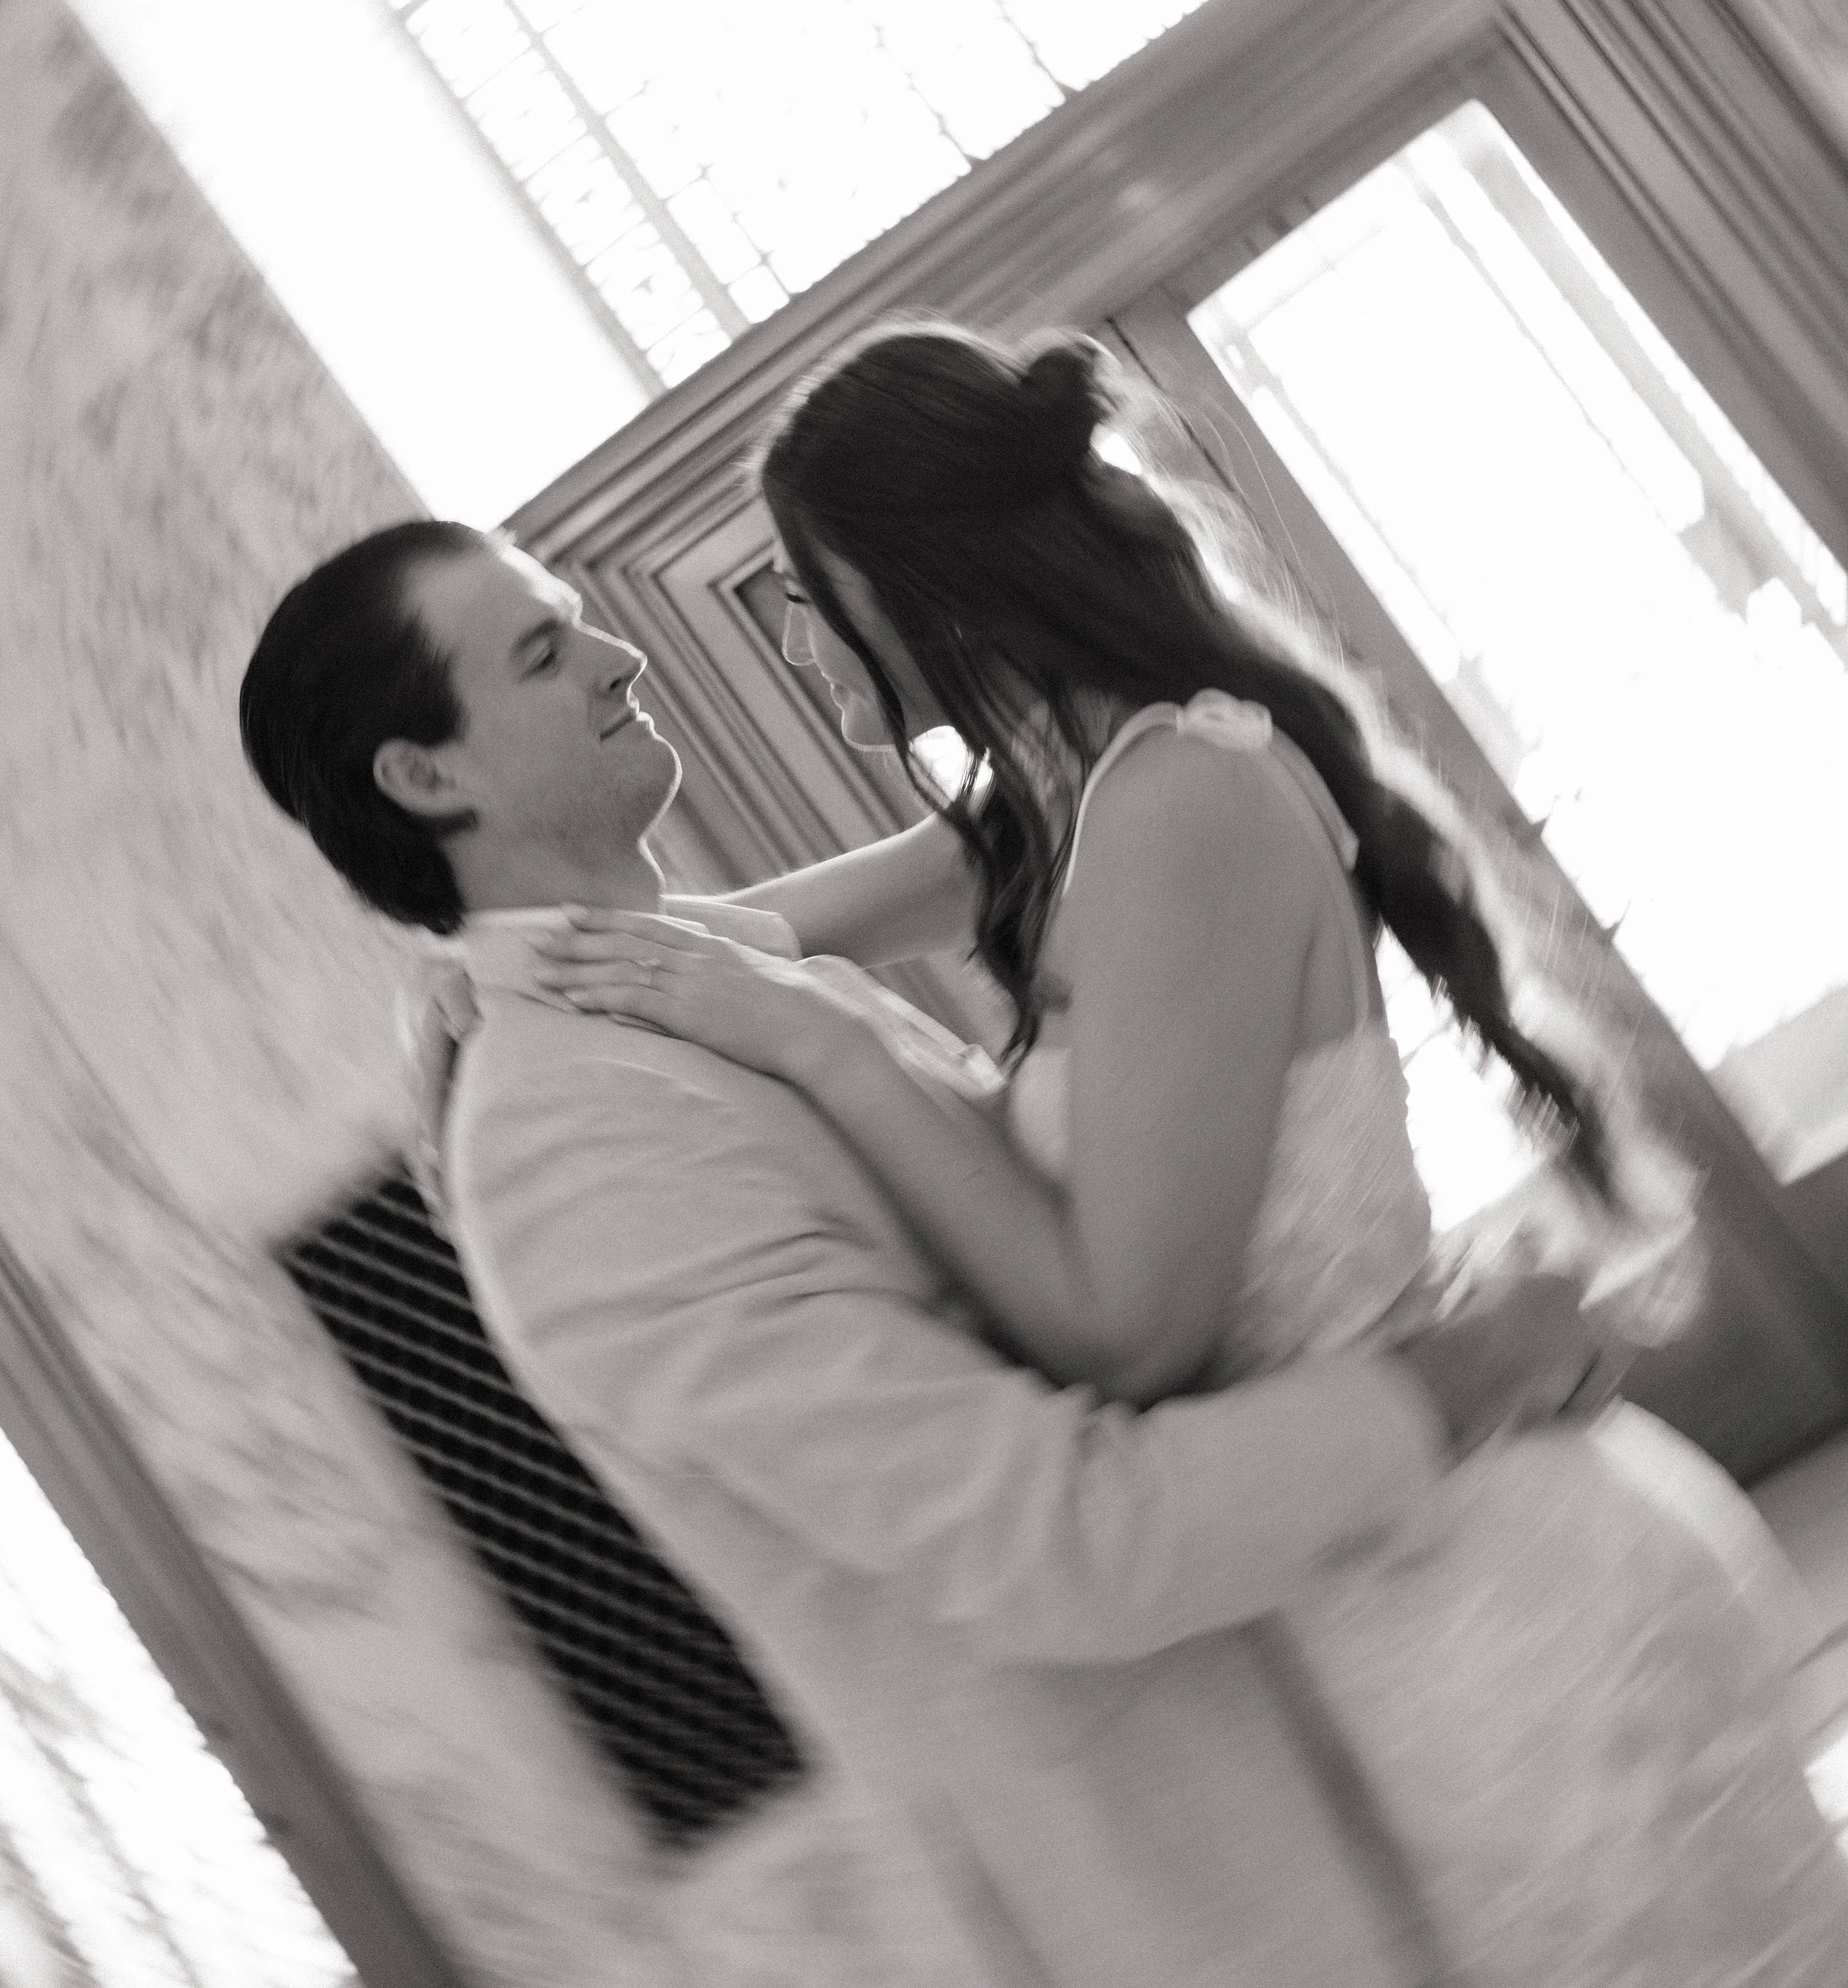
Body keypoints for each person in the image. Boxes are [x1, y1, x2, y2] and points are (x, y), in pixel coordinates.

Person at [540, 324, 1848, 1988]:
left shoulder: (1177, 806)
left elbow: (1128, 1330)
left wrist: (808, 1044)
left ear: (913, 575)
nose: (790, 635)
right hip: (1349, 1584)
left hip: (1484, 1631)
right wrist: (501, 978)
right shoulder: (1068, 802)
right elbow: (752, 936)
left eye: (805, 588)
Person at [241, 518, 1615, 1988]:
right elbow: (1060, 1544)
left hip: (1379, 1712)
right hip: (1209, 1893)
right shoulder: (572, 1143)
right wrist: (1451, 1376)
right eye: (542, 649)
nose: (621, 651)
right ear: (425, 773)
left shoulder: (704, 983)